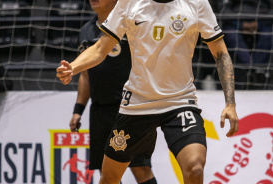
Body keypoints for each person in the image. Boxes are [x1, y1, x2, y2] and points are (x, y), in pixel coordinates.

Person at [57, 0, 239, 183]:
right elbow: (99, 49)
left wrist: (230, 103)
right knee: (109, 177)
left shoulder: (197, 3)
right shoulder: (128, 3)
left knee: (195, 167)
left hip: (180, 102)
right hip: (137, 105)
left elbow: (221, 53)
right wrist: (73, 67)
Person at [69, 0, 157, 184]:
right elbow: (85, 76)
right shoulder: (86, 30)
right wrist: (78, 110)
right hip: (100, 110)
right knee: (106, 174)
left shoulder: (132, 25)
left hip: (131, 109)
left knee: (140, 167)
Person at [221, 0, 272, 89]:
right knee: (231, 36)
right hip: (235, 20)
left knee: (268, 35)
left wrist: (259, 22)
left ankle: (257, 70)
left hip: (263, 19)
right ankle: (250, 70)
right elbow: (223, 8)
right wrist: (240, 23)